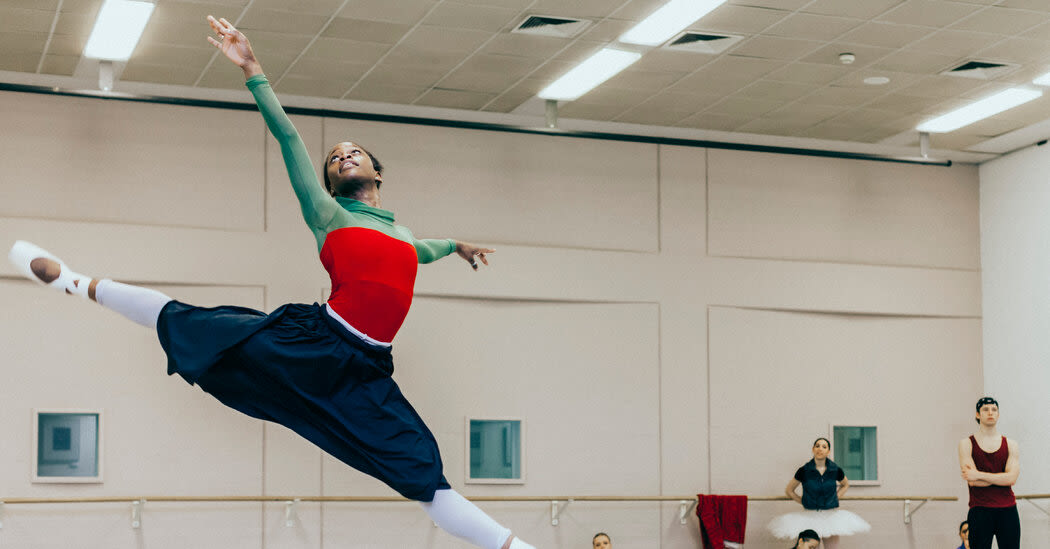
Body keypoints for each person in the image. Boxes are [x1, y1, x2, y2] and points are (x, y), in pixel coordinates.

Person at [5, 15, 537, 549]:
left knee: (423, 474)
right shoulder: (328, 213)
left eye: (353, 152)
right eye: (334, 158)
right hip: (312, 342)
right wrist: (253, 70)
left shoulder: (402, 235)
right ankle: (76, 283)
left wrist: (459, 246)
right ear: (331, 181)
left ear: (377, 173)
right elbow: (287, 137)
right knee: (192, 323)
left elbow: (427, 250)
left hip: (366, 372)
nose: (342, 156)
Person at [768, 437, 870, 548]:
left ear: (828, 451)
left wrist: (835, 497)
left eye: (824, 446)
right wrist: (803, 501)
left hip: (831, 516)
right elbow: (789, 490)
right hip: (810, 516)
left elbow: (845, 484)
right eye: (817, 446)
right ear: (813, 449)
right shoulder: (804, 470)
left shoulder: (835, 469)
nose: (820, 449)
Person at [958, 397, 1020, 549]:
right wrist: (1001, 478)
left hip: (1008, 509)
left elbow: (1012, 478)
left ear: (998, 414)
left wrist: (979, 474)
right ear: (978, 414)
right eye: (985, 409)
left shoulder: (1011, 444)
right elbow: (972, 481)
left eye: (994, 409)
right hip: (980, 509)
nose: (990, 412)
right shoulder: (966, 444)